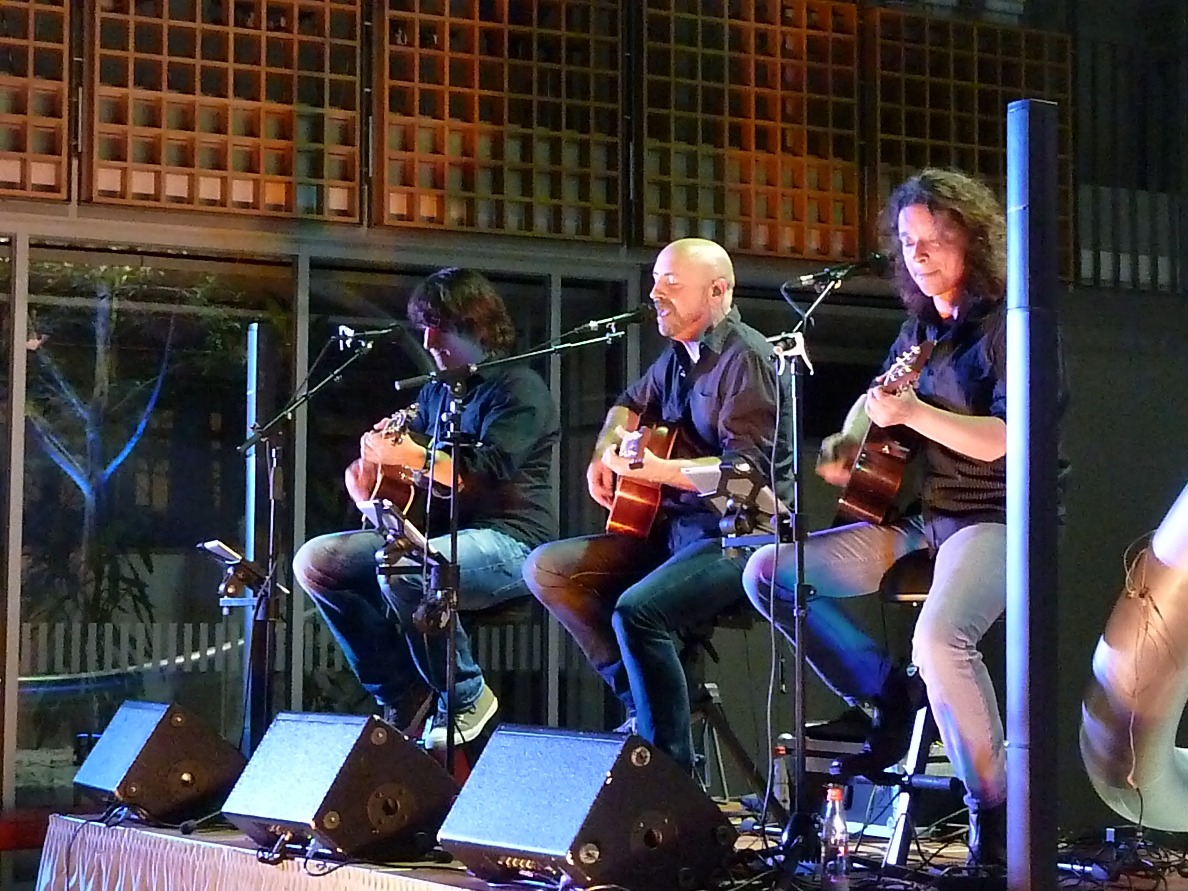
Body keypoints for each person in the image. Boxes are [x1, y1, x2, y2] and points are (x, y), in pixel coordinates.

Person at [742, 168, 1068, 867]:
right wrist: (849, 438)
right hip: (929, 516)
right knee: (770, 569)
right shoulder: (921, 327)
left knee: (940, 639)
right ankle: (886, 697)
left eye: (933, 240)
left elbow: (1009, 438)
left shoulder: (1009, 326)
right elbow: (878, 396)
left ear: (972, 241)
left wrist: (914, 412)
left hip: (1001, 514)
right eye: (908, 242)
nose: (918, 255)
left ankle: (996, 813)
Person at [522, 237, 792, 774]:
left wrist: (657, 471)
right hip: (672, 534)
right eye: (654, 282)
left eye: (671, 282)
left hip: (739, 538)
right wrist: (605, 452)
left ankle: (669, 768)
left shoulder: (747, 359)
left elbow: (743, 476)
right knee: (549, 569)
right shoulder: (677, 359)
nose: (655, 293)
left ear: (717, 291)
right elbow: (628, 405)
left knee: (638, 610)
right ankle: (650, 704)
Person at [294, 267, 559, 749]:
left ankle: (465, 695)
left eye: (440, 323)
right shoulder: (437, 391)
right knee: (316, 562)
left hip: (513, 541)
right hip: (439, 536)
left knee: (406, 570)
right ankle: (403, 691)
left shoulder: (520, 389)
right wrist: (371, 481)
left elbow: (476, 474)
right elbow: (411, 474)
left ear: (475, 323)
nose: (429, 338)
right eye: (425, 325)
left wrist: (408, 456)